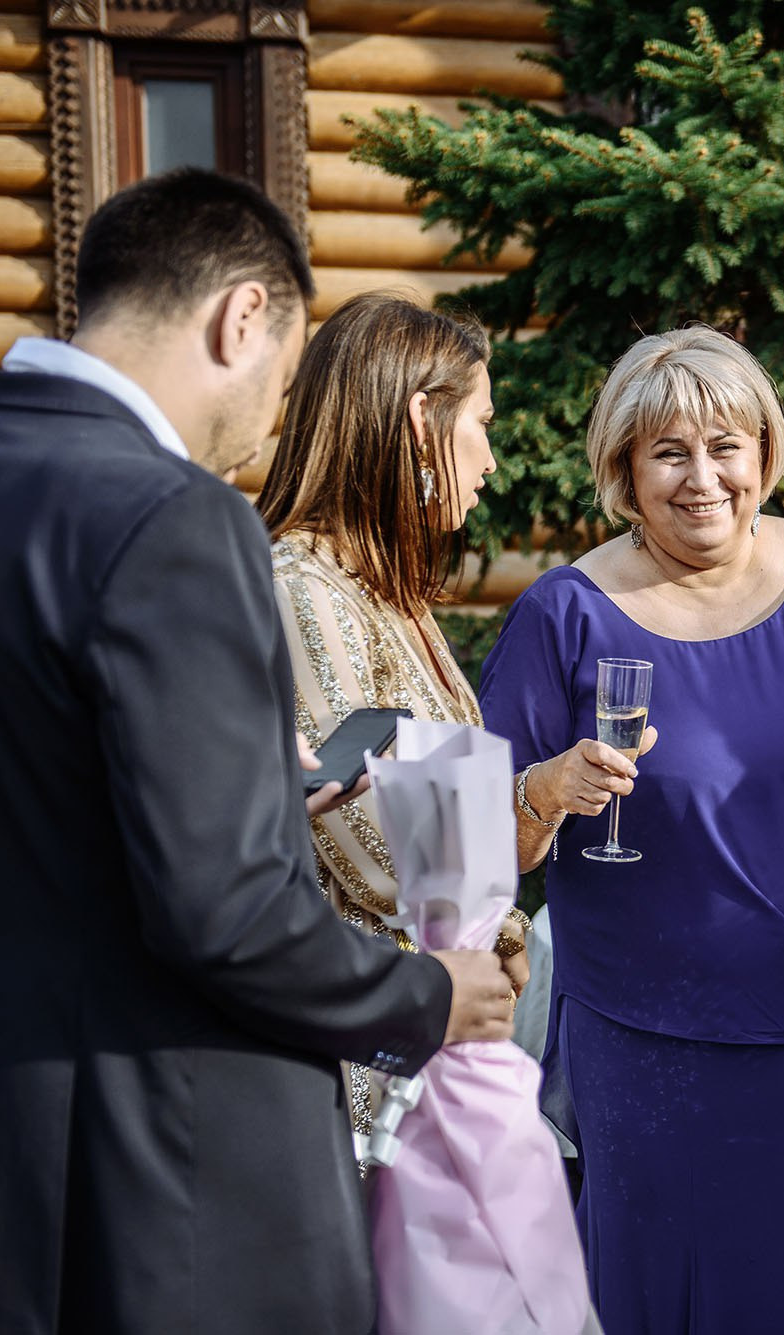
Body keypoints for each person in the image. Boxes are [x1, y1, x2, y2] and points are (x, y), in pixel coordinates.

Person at [0, 170, 514, 1333]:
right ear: (241, 317)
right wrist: (428, 994)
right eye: (284, 379)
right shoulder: (174, 519)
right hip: (159, 1191)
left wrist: (230, 786)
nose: (269, 422)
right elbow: (226, 914)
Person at [477, 325, 784, 1334]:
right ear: (623, 470)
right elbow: (485, 847)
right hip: (655, 1052)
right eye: (667, 453)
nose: (703, 479)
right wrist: (546, 792)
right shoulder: (561, 615)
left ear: (762, 453)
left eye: (725, 446)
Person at [258, 291, 646, 1144]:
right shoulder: (303, 591)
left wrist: (536, 812)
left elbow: (438, 817)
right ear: (418, 422)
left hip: (438, 1041)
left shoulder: (392, 598)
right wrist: (527, 825)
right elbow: (374, 844)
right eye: (483, 424)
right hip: (363, 1069)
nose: (493, 461)